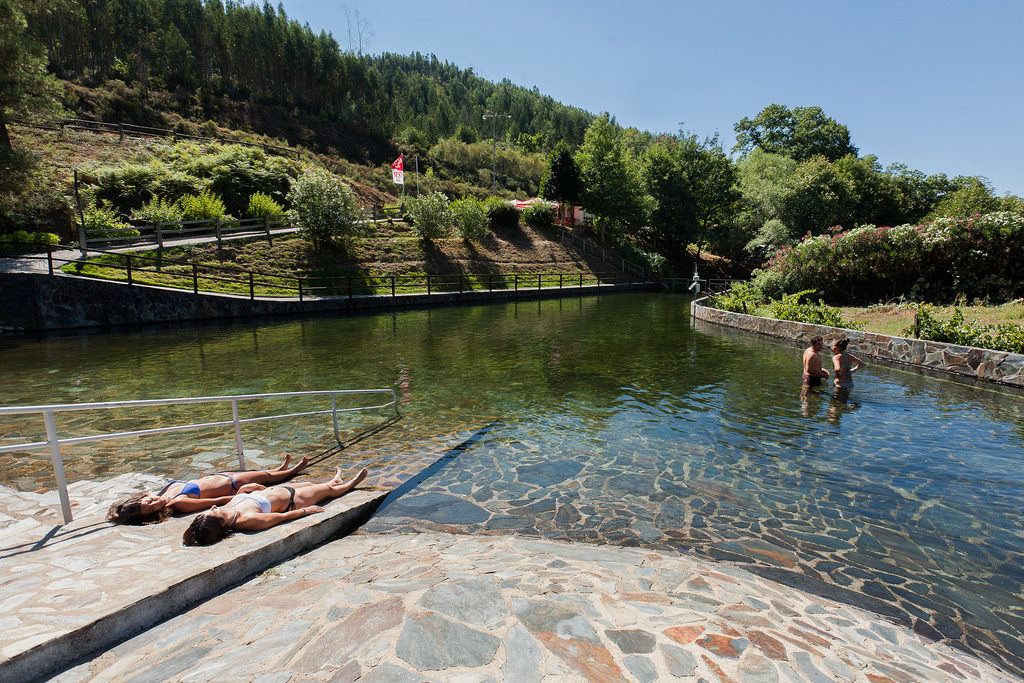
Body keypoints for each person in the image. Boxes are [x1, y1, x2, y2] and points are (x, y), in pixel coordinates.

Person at [183, 467, 368, 546]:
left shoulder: (229, 510)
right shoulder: (246, 520)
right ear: (221, 524)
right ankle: (348, 484)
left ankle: (335, 479)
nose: (215, 506)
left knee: (312, 485)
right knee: (326, 490)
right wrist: (305, 511)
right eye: (214, 512)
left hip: (278, 491)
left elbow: (241, 498)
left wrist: (246, 489)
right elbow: (279, 518)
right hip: (292, 501)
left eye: (212, 508)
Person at [108, 455, 309, 525]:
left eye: (148, 502)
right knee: (265, 478)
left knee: (263, 473)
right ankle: (292, 470)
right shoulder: (177, 502)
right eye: (152, 510)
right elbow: (218, 501)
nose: (155, 503)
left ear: (143, 497)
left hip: (219, 477)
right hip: (230, 485)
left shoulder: (163, 492)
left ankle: (281, 469)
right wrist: (239, 494)